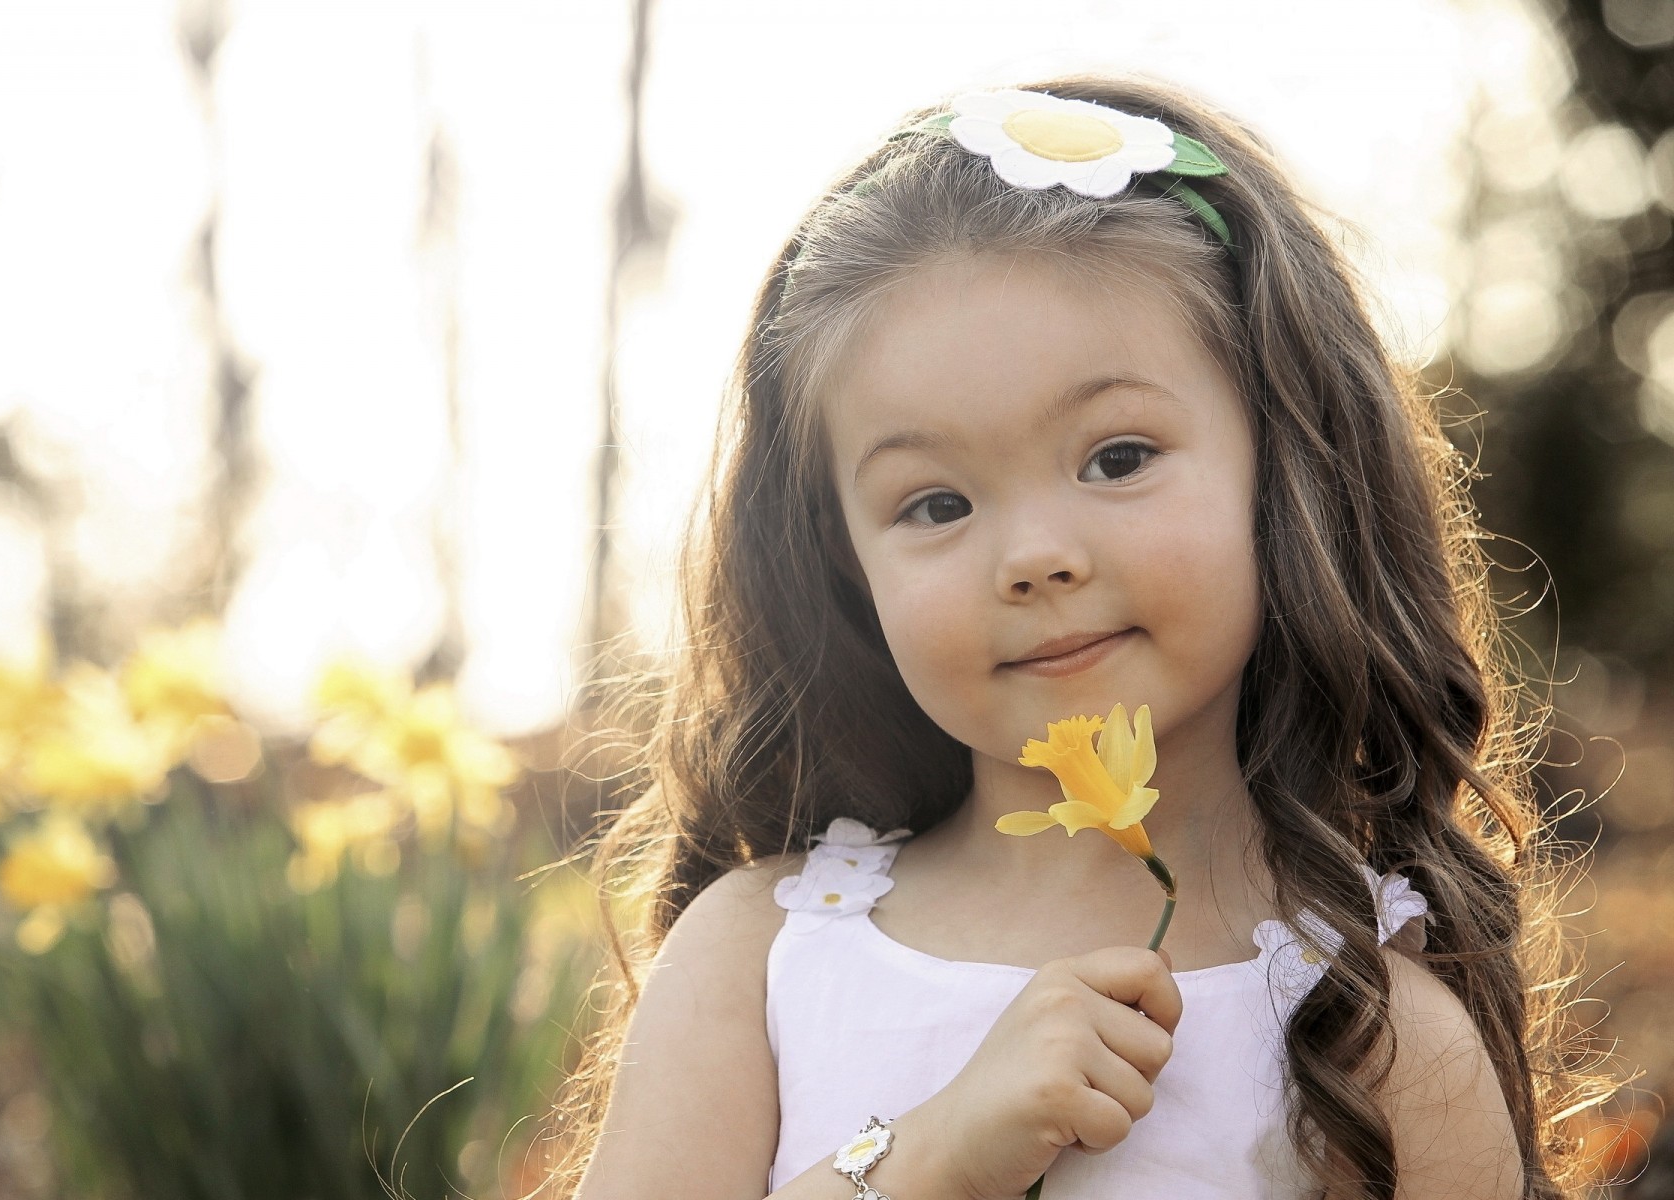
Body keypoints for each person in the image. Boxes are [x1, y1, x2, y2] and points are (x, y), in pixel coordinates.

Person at [541, 75, 1616, 1199]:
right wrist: (931, 1158)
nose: (1034, 555)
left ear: (1288, 471)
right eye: (935, 505)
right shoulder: (758, 958)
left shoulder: (1375, 1038)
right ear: (843, 569)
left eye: (1117, 457)